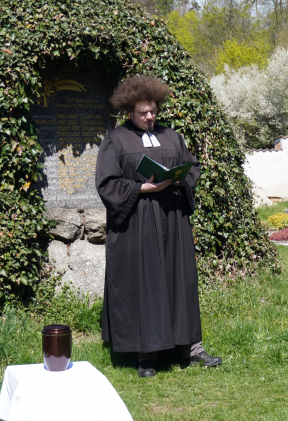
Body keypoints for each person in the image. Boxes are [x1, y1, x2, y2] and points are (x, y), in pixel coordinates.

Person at [95, 75, 222, 377]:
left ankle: (190, 348)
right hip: (138, 222)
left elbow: (192, 168)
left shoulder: (171, 136)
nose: (150, 117)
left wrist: (179, 177)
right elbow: (107, 183)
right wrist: (141, 189)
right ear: (129, 111)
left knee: (180, 281)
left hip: (172, 219)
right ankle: (147, 355)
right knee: (145, 283)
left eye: (153, 110)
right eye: (143, 112)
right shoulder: (116, 140)